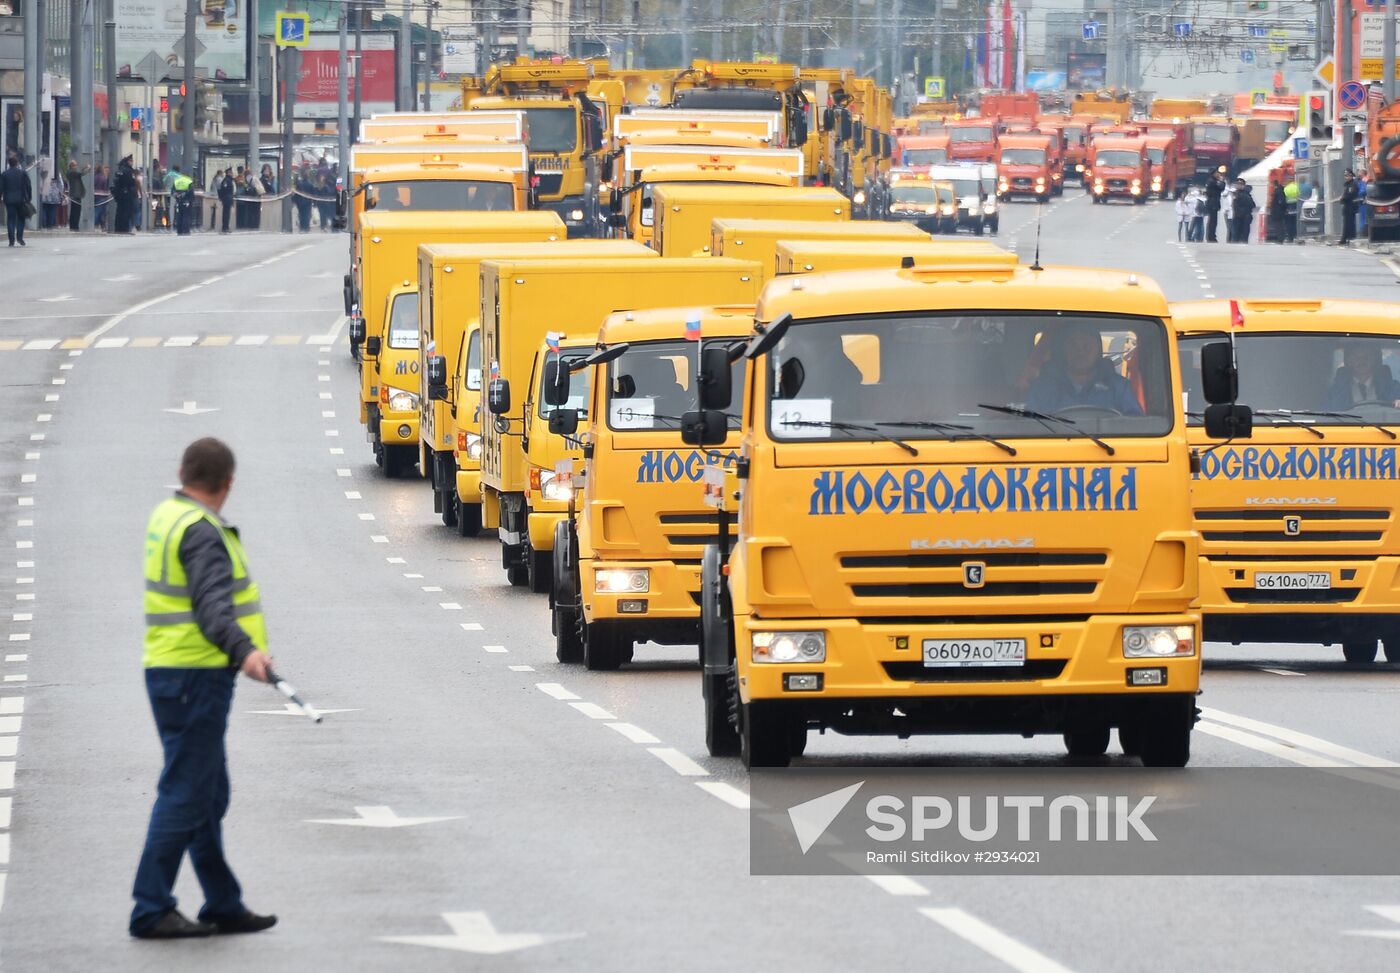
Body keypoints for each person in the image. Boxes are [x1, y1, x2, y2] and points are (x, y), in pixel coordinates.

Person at [130, 438, 278, 940]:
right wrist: (247, 653)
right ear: (228, 484)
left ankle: (223, 903)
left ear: (182, 472)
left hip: (170, 671)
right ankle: (150, 907)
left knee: (208, 792)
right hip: (195, 676)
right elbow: (212, 607)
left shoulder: (166, 515)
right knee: (187, 791)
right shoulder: (202, 533)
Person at [1025, 323, 1144, 416]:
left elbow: (1137, 426)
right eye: (1073, 345)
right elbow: (1029, 426)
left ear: (1098, 350)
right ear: (1064, 351)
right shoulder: (1042, 388)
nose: (1080, 352)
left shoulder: (1119, 387)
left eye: (1087, 346)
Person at [1323, 343, 1400, 410]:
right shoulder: (1335, 392)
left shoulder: (1392, 387)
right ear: (1349, 361)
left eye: (1366, 357)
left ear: (1374, 360)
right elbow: (1326, 416)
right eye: (1356, 357)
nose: (1361, 361)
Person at [1, 154, 31, 246]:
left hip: (9, 200)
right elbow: (28, 186)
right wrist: (29, 197)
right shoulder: (22, 173)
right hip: (20, 199)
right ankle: (20, 238)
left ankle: (11, 241)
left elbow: (1, 187)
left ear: (9, 164)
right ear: (17, 163)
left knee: (11, 219)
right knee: (21, 218)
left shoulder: (4, 174)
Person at [113, 155, 137, 233]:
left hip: (119, 193)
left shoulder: (119, 170)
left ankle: (118, 227)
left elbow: (116, 182)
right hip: (127, 194)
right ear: (128, 161)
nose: (132, 162)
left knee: (119, 211)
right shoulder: (129, 170)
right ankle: (124, 228)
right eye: (131, 161)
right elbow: (132, 182)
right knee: (127, 212)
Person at [1231, 179, 1256, 244]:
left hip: (1245, 217)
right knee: (1236, 235)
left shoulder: (1246, 195)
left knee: (1244, 235)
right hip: (1237, 216)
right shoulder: (1235, 193)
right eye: (1237, 184)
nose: (1238, 185)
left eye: (1240, 184)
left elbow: (1252, 205)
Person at [66, 159, 88, 231]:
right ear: (72, 166)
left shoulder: (72, 172)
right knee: (75, 212)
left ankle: (74, 226)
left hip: (76, 194)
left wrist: (84, 168)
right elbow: (80, 174)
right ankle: (74, 226)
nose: (76, 167)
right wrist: (87, 169)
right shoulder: (71, 172)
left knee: (75, 211)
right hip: (75, 194)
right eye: (75, 165)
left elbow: (79, 173)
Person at [173, 167, 195, 236]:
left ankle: (179, 230)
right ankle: (186, 230)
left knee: (179, 216)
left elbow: (173, 191)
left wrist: (177, 196)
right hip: (187, 200)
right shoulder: (188, 181)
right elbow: (191, 191)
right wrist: (192, 199)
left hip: (179, 200)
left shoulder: (177, 180)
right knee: (186, 216)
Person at [1204, 170, 1224, 243]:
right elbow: (1221, 188)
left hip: (1213, 202)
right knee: (1213, 221)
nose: (1218, 174)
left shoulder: (1211, 181)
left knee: (1212, 221)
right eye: (1217, 173)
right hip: (1213, 203)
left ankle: (1211, 236)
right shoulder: (1212, 181)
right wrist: (1222, 181)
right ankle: (1211, 237)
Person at [1341, 169, 1359, 245]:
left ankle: (1346, 238)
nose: (1345, 177)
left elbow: (1349, 194)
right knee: (1347, 222)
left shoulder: (1353, 184)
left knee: (1348, 223)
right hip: (1347, 206)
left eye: (1347, 175)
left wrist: (1343, 199)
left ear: (1351, 176)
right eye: (1345, 175)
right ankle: (1348, 237)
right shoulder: (1347, 184)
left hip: (1350, 206)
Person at [1283, 175, 1300, 243]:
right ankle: (1295, 235)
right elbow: (1299, 195)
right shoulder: (1296, 186)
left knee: (1289, 222)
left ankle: (1290, 237)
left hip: (1288, 206)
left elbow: (1284, 197)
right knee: (1295, 222)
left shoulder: (1286, 188)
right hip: (1295, 205)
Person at [217, 168, 234, 234]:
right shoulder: (226, 180)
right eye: (231, 172)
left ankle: (226, 227)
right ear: (228, 173)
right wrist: (223, 198)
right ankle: (225, 227)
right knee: (226, 214)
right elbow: (224, 190)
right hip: (227, 199)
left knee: (227, 214)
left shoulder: (229, 180)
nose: (232, 173)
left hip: (228, 198)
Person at [94, 164, 110, 230]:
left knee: (99, 211)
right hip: (102, 196)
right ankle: (95, 224)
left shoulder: (95, 176)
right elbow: (105, 188)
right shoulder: (103, 178)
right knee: (100, 211)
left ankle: (101, 225)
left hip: (95, 195)